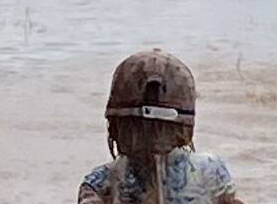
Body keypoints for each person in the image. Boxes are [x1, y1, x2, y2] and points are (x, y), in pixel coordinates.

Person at [79, 49, 243, 204]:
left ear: (115, 125)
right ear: (185, 127)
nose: (151, 134)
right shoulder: (212, 171)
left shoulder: (101, 182)